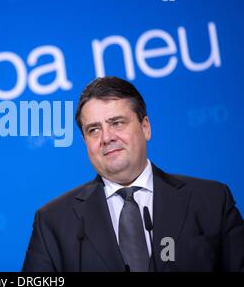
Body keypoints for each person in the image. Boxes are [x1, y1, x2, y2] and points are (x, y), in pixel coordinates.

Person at [22, 76, 244, 272]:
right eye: (94, 130)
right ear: (85, 142)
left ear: (145, 127)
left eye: (117, 123)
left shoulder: (211, 200)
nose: (106, 138)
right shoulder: (53, 222)